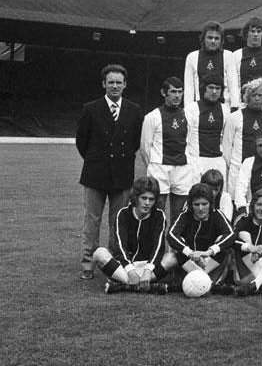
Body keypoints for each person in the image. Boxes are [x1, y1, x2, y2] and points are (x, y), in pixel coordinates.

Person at [76, 64, 144, 280]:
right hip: (95, 174)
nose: (115, 86)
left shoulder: (134, 110)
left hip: (122, 175)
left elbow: (135, 142)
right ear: (104, 84)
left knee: (118, 221)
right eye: (111, 82)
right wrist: (97, 160)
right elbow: (82, 142)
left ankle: (114, 262)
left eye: (119, 82)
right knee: (92, 221)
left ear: (125, 85)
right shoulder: (91, 108)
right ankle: (88, 263)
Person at [92, 176, 174, 294]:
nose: (147, 203)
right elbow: (120, 246)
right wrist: (130, 271)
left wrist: (148, 270)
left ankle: (124, 285)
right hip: (125, 266)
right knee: (99, 253)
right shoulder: (123, 214)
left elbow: (159, 247)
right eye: (143, 198)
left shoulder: (159, 215)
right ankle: (143, 285)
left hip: (149, 267)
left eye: (151, 199)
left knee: (172, 258)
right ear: (136, 197)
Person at [140, 77, 195, 227]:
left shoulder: (188, 116)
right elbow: (145, 147)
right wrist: (153, 165)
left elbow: (190, 142)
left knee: (180, 216)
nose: (177, 96)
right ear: (164, 93)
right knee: (157, 213)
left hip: (182, 170)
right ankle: (156, 242)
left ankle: (174, 243)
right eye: (173, 92)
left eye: (180, 92)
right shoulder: (152, 117)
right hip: (160, 169)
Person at [167, 183, 235, 286]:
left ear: (210, 203)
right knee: (178, 244)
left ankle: (204, 279)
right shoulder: (185, 215)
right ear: (191, 205)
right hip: (189, 261)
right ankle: (201, 279)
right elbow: (171, 234)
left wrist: (209, 252)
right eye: (196, 204)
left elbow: (231, 234)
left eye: (204, 204)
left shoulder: (217, 215)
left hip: (209, 262)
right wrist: (190, 253)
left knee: (223, 242)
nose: (200, 208)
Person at [221, 78, 262, 197]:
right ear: (247, 97)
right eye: (253, 95)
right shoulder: (235, 117)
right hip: (239, 168)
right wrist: (235, 165)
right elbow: (226, 145)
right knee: (238, 200)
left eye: (260, 95)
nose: (257, 98)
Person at [183, 21, 239, 110]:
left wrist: (235, 106)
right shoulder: (192, 57)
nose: (213, 41)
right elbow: (189, 87)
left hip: (224, 108)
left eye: (216, 38)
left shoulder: (228, 56)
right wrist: (187, 109)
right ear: (203, 39)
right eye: (210, 38)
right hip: (199, 109)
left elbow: (233, 84)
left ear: (221, 41)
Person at [184, 74, 229, 179]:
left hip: (218, 161)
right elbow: (185, 138)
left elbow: (226, 139)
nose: (214, 91)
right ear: (204, 88)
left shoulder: (225, 110)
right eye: (211, 88)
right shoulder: (191, 109)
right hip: (197, 161)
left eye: (218, 88)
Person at [232, 17, 262, 111]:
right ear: (246, 33)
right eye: (252, 31)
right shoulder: (236, 55)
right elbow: (234, 84)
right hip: (242, 106)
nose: (256, 34)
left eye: (259, 31)